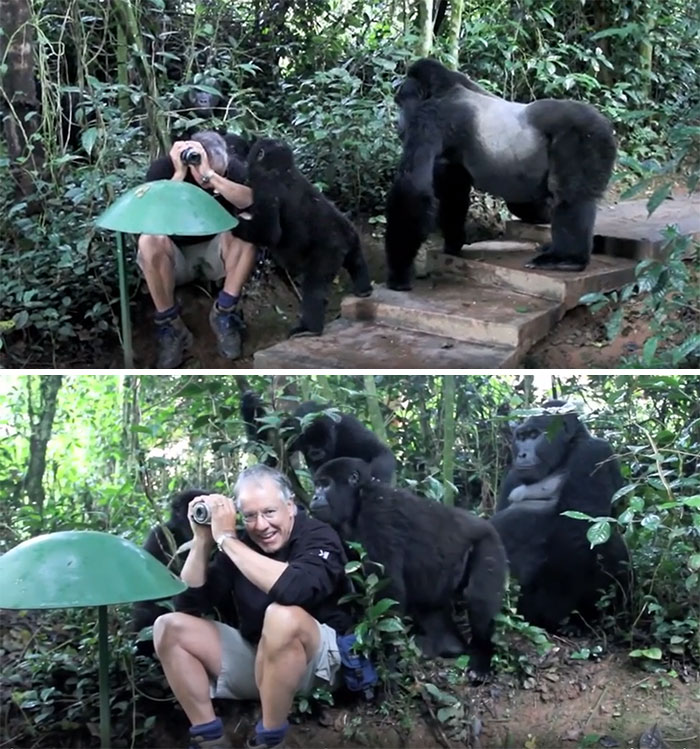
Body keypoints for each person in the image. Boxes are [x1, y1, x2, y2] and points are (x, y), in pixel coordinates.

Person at [153, 464, 353, 749]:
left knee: (281, 616)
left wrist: (228, 541)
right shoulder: (243, 544)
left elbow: (294, 591)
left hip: (317, 668)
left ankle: (270, 739)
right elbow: (188, 603)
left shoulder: (318, 536)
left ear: (290, 506)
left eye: (269, 512)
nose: (261, 526)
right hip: (260, 660)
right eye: (249, 516)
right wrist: (202, 542)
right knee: (168, 627)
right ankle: (210, 738)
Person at [138, 130, 256, 368]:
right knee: (148, 239)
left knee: (250, 225)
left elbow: (252, 201)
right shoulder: (163, 170)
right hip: (175, 258)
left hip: (217, 253)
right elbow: (149, 216)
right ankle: (170, 325)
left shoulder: (230, 169)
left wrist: (212, 176)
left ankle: (224, 311)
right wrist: (180, 174)